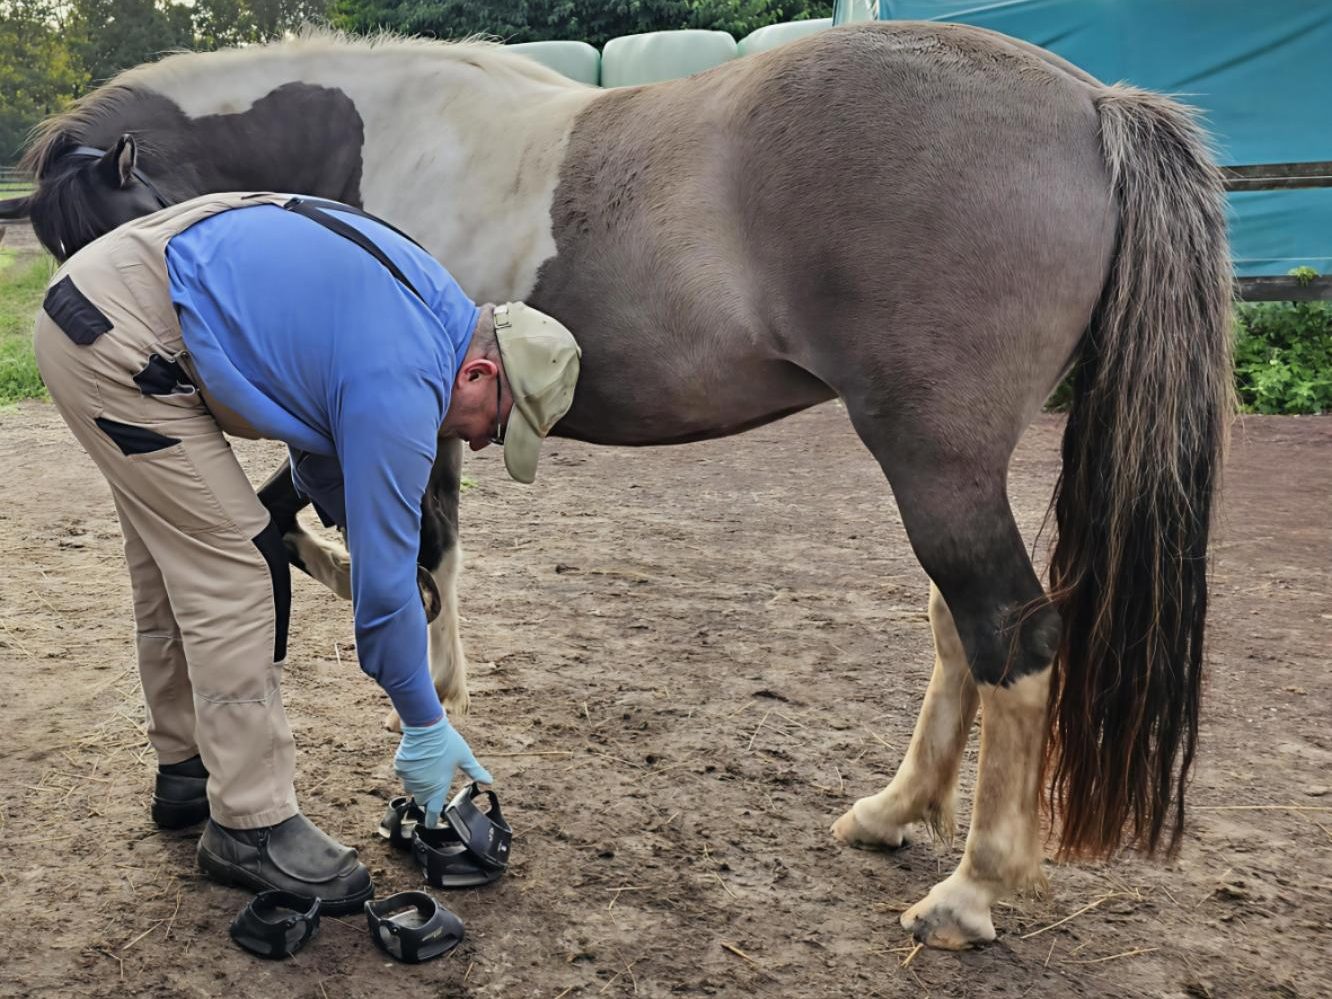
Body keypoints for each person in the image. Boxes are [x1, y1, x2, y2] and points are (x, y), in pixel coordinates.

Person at [33, 192, 581, 913]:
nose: (480, 445)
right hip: (122, 338)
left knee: (175, 559)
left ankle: (187, 768)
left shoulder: (431, 312)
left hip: (108, 298)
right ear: (478, 375)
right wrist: (425, 723)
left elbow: (319, 446)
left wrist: (368, 541)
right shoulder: (408, 376)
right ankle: (250, 824)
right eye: (497, 426)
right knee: (234, 571)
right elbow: (384, 599)